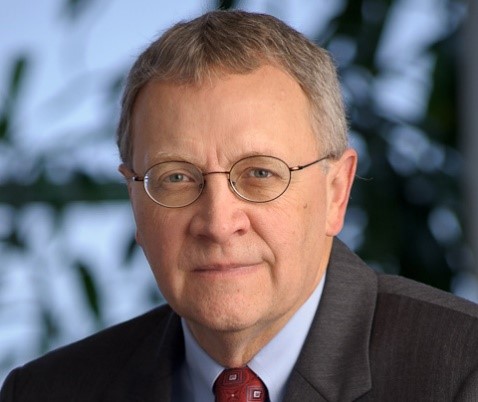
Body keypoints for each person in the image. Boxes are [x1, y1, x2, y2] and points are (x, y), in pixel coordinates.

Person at [2, 9, 478, 402]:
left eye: (260, 174)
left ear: (336, 192)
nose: (218, 223)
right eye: (176, 178)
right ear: (134, 201)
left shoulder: (462, 371)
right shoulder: (45, 392)